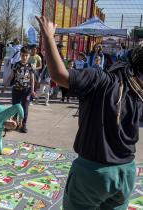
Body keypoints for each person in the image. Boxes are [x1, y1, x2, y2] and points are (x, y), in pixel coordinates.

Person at [36, 15, 143, 210]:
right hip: (126, 172)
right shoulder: (139, 94)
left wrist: (49, 37)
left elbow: (59, 75)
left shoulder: (100, 79)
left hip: (92, 172)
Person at [2, 46, 36, 133]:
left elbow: (32, 79)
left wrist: (32, 90)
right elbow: (11, 76)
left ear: (29, 56)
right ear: (20, 55)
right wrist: (5, 86)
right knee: (15, 107)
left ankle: (23, 125)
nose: (24, 57)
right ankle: (13, 124)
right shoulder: (16, 64)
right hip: (16, 89)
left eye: (26, 55)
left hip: (26, 91)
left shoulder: (30, 66)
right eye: (23, 55)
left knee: (25, 108)